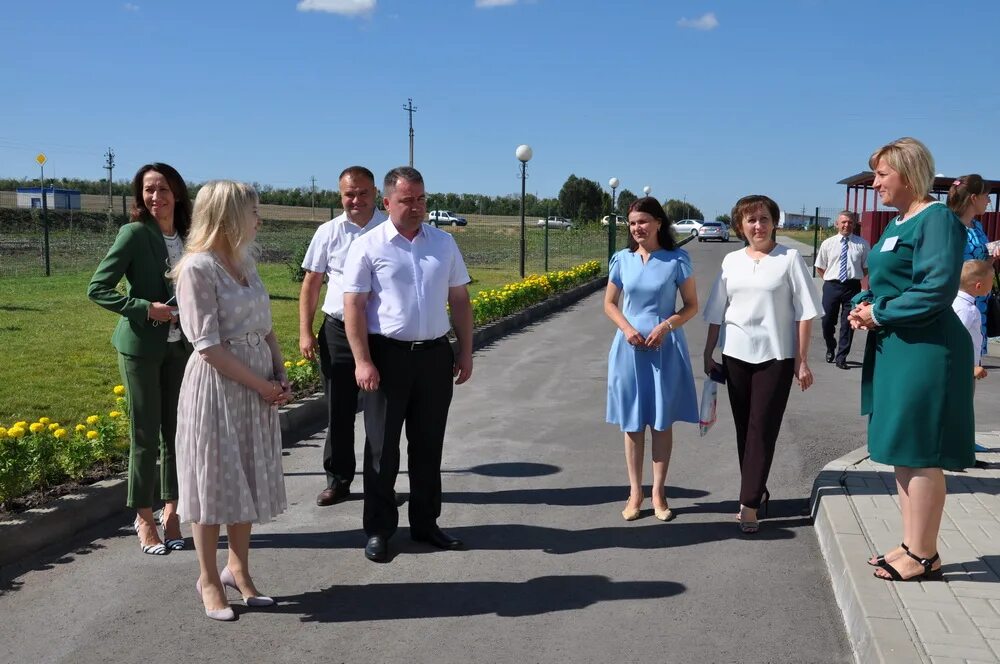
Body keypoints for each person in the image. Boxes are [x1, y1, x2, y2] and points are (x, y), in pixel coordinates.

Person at [848, 137, 973, 582]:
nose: (876, 181)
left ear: (908, 172)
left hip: (926, 349)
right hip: (897, 345)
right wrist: (865, 303)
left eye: (883, 173)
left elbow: (935, 289)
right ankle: (910, 544)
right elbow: (885, 280)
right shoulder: (898, 221)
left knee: (921, 452)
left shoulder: (936, 218)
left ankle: (925, 555)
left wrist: (878, 313)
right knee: (904, 450)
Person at [172, 180, 291, 621]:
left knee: (245, 479)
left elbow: (265, 325)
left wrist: (279, 372)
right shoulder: (197, 269)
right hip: (218, 388)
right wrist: (262, 385)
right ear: (228, 215)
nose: (259, 218)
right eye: (253, 211)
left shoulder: (245, 263)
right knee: (212, 483)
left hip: (256, 384)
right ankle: (207, 578)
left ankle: (238, 569)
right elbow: (207, 346)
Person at [343, 166, 474, 563]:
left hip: (434, 356)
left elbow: (460, 301)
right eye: (406, 200)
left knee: (428, 445)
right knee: (382, 449)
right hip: (386, 358)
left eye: (421, 199)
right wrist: (362, 361)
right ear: (387, 203)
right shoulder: (368, 246)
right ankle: (380, 529)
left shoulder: (444, 243)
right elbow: (353, 306)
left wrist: (465, 351)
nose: (416, 207)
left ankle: (425, 523)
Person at [88, 162, 193, 556]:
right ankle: (144, 518)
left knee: (177, 435)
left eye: (163, 189)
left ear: (177, 193)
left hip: (180, 347)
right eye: (148, 190)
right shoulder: (133, 234)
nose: (155, 197)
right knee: (145, 435)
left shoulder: (189, 236)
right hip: (140, 348)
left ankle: (173, 514)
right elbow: (97, 288)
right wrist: (143, 307)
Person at [703, 195, 822, 534]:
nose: (758, 226)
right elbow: (717, 310)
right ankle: (758, 491)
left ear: (774, 223)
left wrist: (802, 361)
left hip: (776, 357)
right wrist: (708, 352)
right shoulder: (731, 261)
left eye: (764, 219)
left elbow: (805, 313)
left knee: (762, 428)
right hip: (736, 354)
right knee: (745, 429)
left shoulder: (789, 259)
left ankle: (749, 503)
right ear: (740, 226)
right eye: (750, 220)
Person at [604, 197, 699, 522]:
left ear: (659, 222)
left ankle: (659, 491)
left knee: (660, 421)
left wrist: (665, 326)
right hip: (628, 350)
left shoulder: (677, 260)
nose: (637, 228)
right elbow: (610, 304)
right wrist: (627, 329)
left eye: (643, 221)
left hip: (664, 349)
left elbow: (690, 306)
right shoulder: (622, 260)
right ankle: (635, 491)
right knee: (632, 423)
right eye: (632, 223)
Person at [299, 166, 388, 507]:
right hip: (336, 331)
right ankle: (338, 479)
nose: (355, 200)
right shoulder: (328, 232)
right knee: (339, 410)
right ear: (341, 196)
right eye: (349, 194)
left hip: (380, 333)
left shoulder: (389, 228)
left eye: (362, 192)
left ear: (375, 193)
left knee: (382, 413)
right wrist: (306, 332)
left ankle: (381, 481)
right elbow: (312, 282)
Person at [947, 175, 999, 362]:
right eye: (986, 195)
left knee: (972, 360)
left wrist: (990, 259)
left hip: (979, 301)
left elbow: (978, 265)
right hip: (956, 301)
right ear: (974, 198)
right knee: (955, 357)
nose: (989, 201)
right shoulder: (949, 225)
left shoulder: (977, 226)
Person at [813, 211, 870, 369]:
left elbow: (865, 268)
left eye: (850, 222)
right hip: (832, 285)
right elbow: (820, 267)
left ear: (854, 224)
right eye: (843, 222)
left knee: (849, 323)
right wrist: (830, 279)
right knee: (827, 322)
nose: (846, 225)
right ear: (837, 224)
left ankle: (841, 357)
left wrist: (854, 277)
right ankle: (831, 346)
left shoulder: (862, 244)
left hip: (852, 287)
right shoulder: (828, 243)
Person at [952, 260, 993, 381]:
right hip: (961, 372)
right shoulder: (968, 310)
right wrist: (971, 368)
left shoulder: (955, 302)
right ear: (978, 286)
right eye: (991, 283)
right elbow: (953, 340)